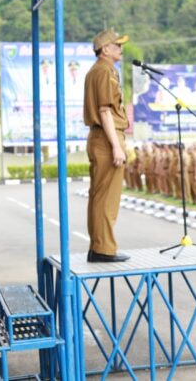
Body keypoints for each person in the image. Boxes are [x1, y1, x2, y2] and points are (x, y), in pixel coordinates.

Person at [84, 29, 130, 263]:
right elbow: (105, 111)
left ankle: (99, 246)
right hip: (106, 137)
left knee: (99, 195)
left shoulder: (99, 71)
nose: (120, 49)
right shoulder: (104, 71)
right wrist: (116, 146)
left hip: (100, 137)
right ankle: (103, 249)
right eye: (117, 45)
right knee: (107, 198)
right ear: (105, 50)